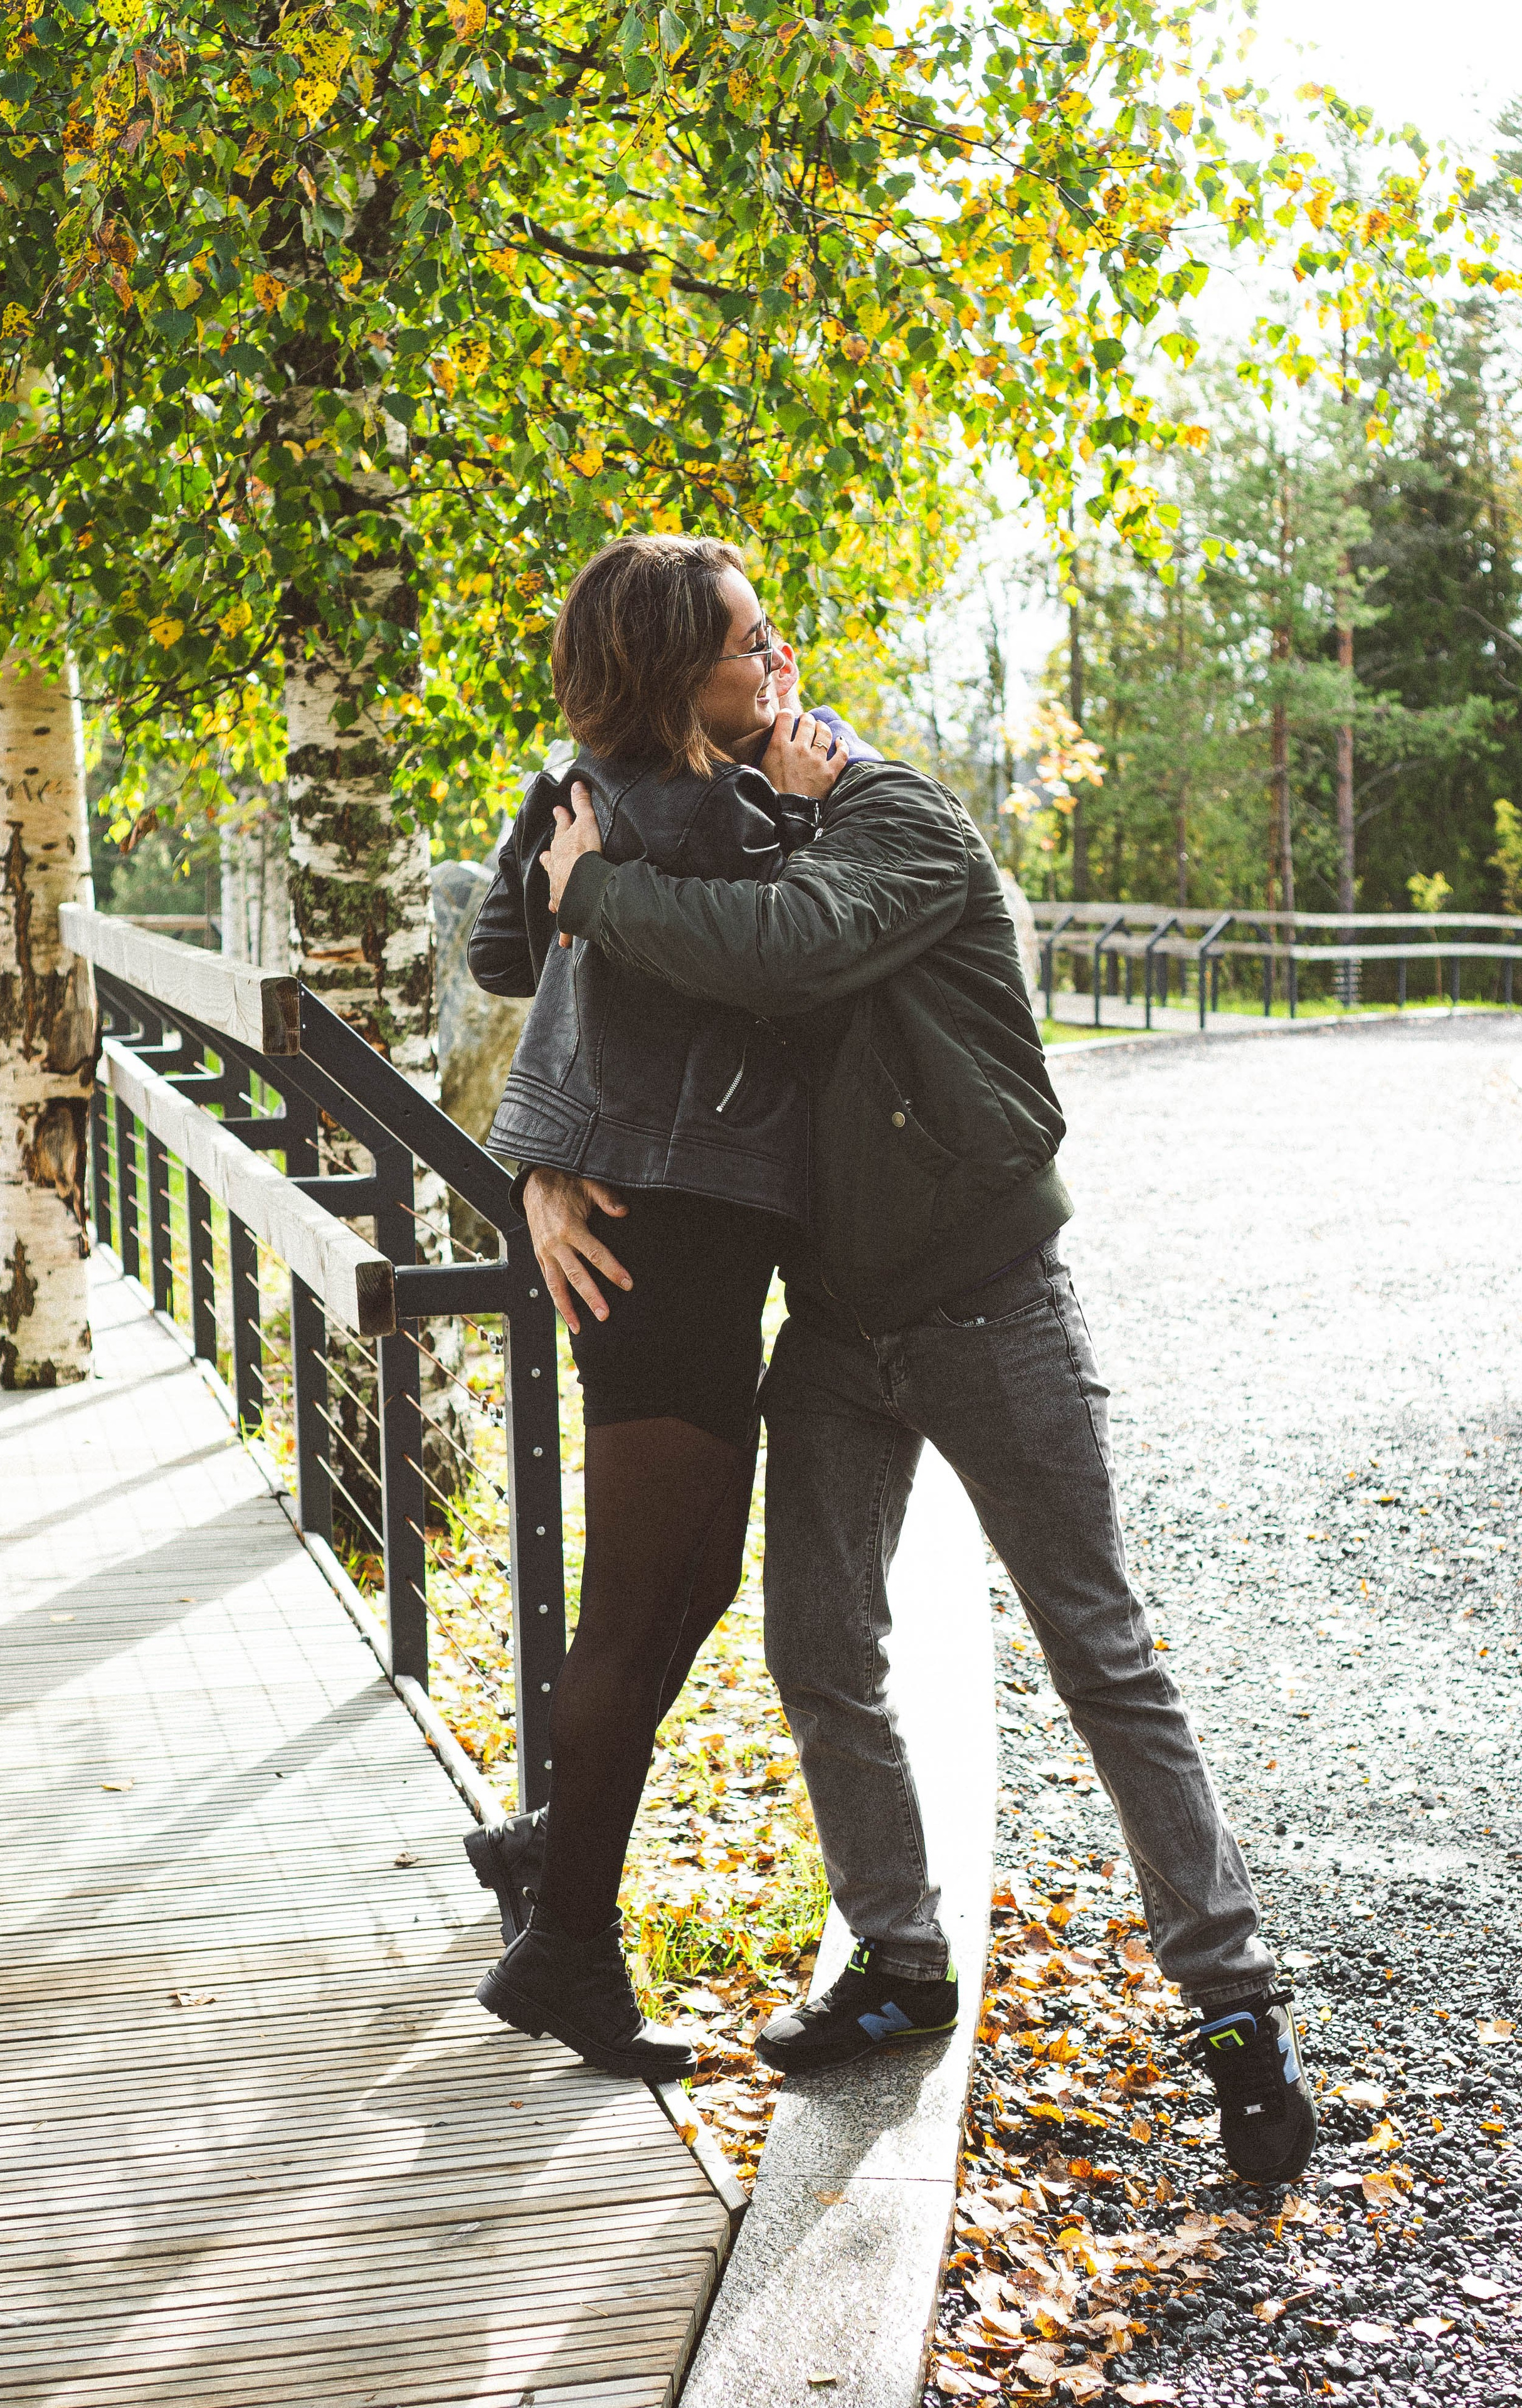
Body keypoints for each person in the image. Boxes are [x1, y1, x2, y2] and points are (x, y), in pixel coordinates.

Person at [534, 710, 1319, 2187]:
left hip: (990, 1306)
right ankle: (898, 1957)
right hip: (832, 1325)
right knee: (818, 1646)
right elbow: (556, 983)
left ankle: (1235, 2008)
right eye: (745, 652)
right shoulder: (742, 845)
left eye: (779, 650)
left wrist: (597, 892)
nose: (773, 675)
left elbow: (784, 949)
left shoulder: (900, 824)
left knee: (1097, 1650)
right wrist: (537, 1164)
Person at [463, 533, 854, 2081]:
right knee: (640, 1601)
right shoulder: (728, 817)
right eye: (751, 642)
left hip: (652, 1222)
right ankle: (567, 1947)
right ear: (676, 665)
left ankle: (550, 1850)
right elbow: (786, 972)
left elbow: (506, 953)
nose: (775, 663)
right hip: (674, 1235)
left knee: (684, 1580)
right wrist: (804, 821)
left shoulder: (569, 793)